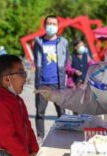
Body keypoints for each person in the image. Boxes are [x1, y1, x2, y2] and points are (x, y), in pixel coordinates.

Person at [34, 15, 69, 143]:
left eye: (54, 24)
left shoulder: (63, 42)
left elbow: (66, 61)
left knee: (62, 113)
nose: (51, 26)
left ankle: (64, 136)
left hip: (58, 83)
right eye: (49, 23)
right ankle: (40, 137)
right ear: (44, 25)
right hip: (42, 83)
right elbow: (36, 61)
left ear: (58, 26)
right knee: (40, 113)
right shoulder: (38, 42)